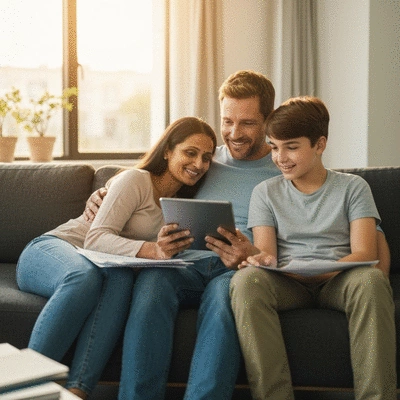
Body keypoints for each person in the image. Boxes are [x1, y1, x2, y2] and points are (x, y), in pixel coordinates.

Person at [85, 71, 392, 399]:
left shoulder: (287, 167)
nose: (234, 133)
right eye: (227, 121)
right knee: (151, 286)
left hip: (235, 266)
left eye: (247, 123)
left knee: (229, 293)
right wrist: (110, 189)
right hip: (188, 262)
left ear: (268, 120)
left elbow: (369, 239)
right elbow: (155, 174)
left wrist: (251, 256)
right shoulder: (203, 159)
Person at [16, 116, 217, 400]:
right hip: (52, 249)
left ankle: (78, 390)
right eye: (190, 152)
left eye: (207, 158)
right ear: (168, 151)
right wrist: (155, 251)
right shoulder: (136, 179)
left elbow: (127, 262)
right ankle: (25, 387)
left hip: (105, 267)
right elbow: (95, 239)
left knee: (120, 281)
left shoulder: (179, 210)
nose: (199, 164)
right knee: (84, 277)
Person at [230, 96, 397, 400]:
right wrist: (256, 258)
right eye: (274, 147)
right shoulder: (265, 192)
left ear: (319, 144)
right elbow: (267, 253)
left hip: (340, 280)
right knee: (246, 282)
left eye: (291, 147)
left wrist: (316, 273)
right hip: (288, 283)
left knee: (371, 280)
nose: (281, 157)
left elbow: (365, 253)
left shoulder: (353, 187)